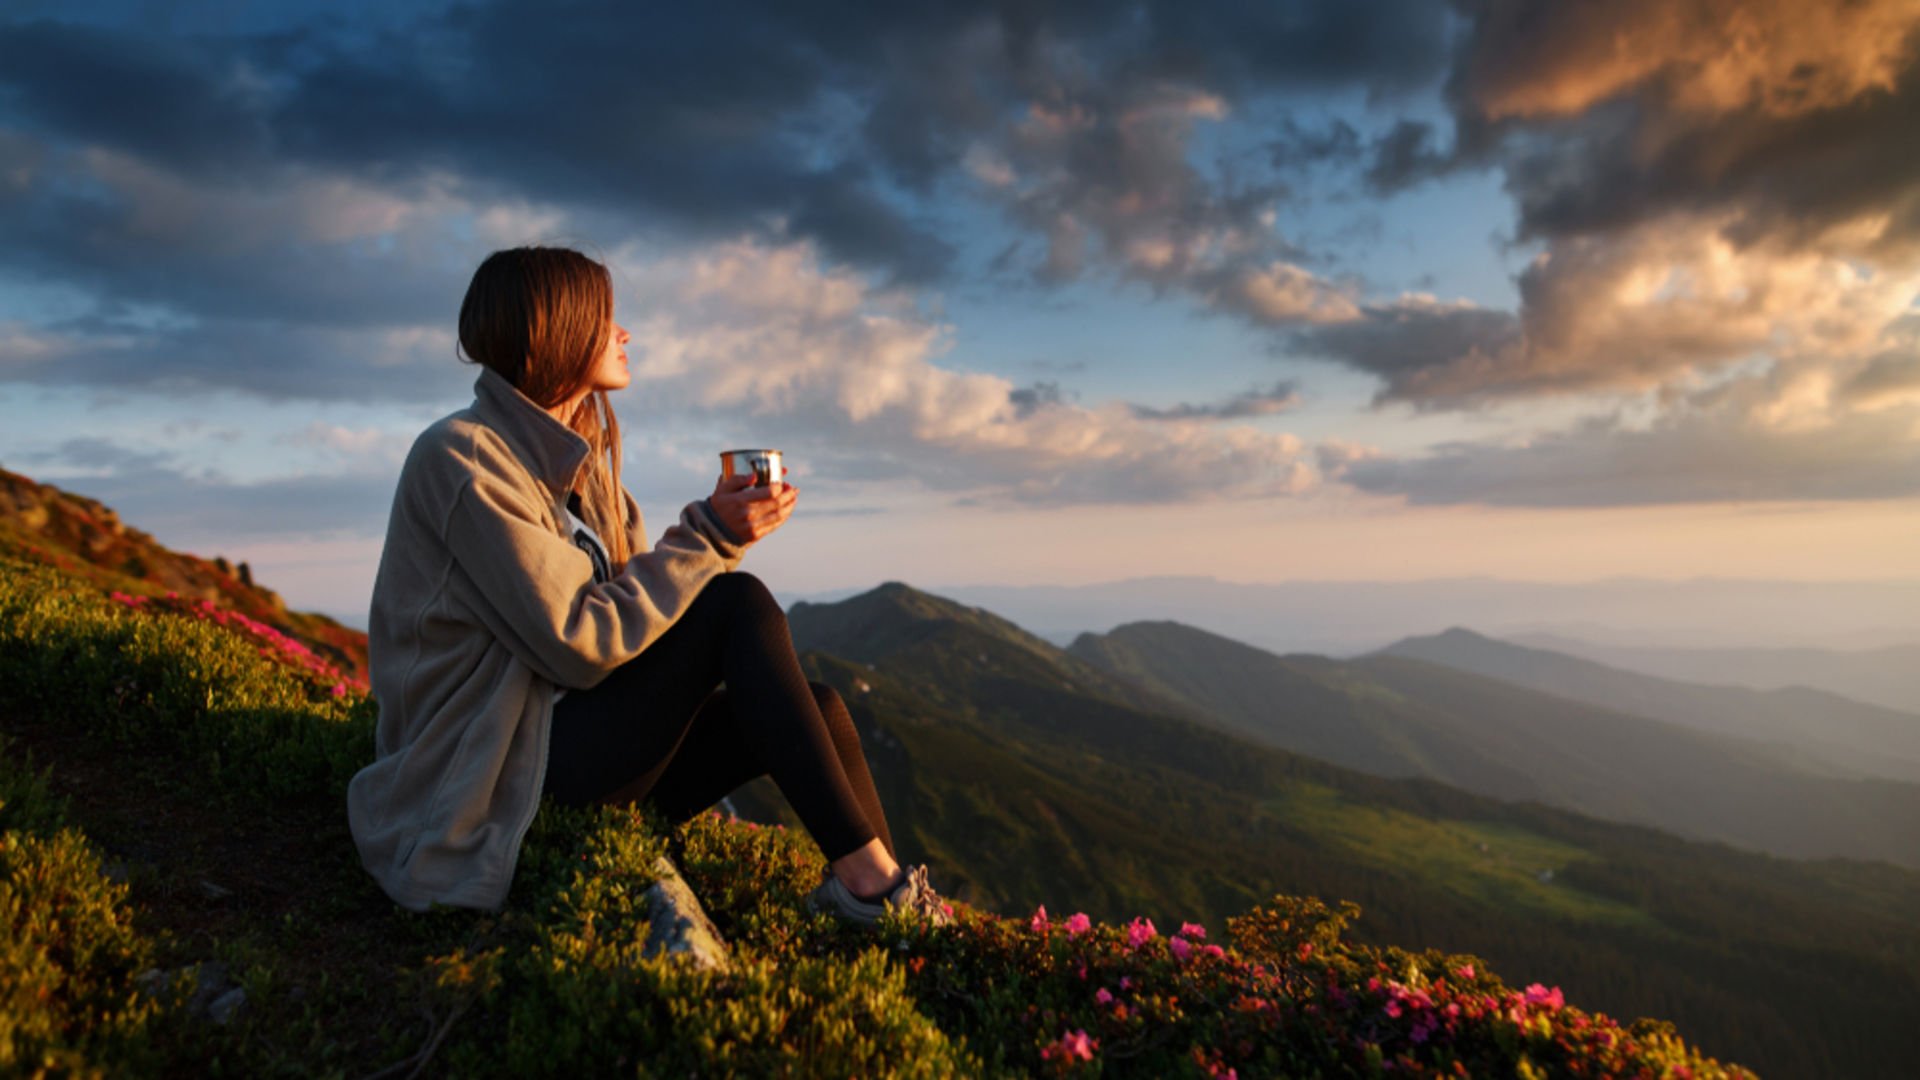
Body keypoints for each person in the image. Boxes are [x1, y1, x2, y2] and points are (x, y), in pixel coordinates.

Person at [346, 246, 946, 926]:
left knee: (822, 708)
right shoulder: (462, 457)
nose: (624, 335)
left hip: (567, 747)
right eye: (607, 320)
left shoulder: (586, 466)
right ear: (558, 329)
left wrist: (719, 534)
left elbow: (640, 624)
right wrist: (710, 539)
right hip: (493, 778)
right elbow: (576, 642)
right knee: (735, 604)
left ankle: (890, 913)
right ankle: (875, 891)